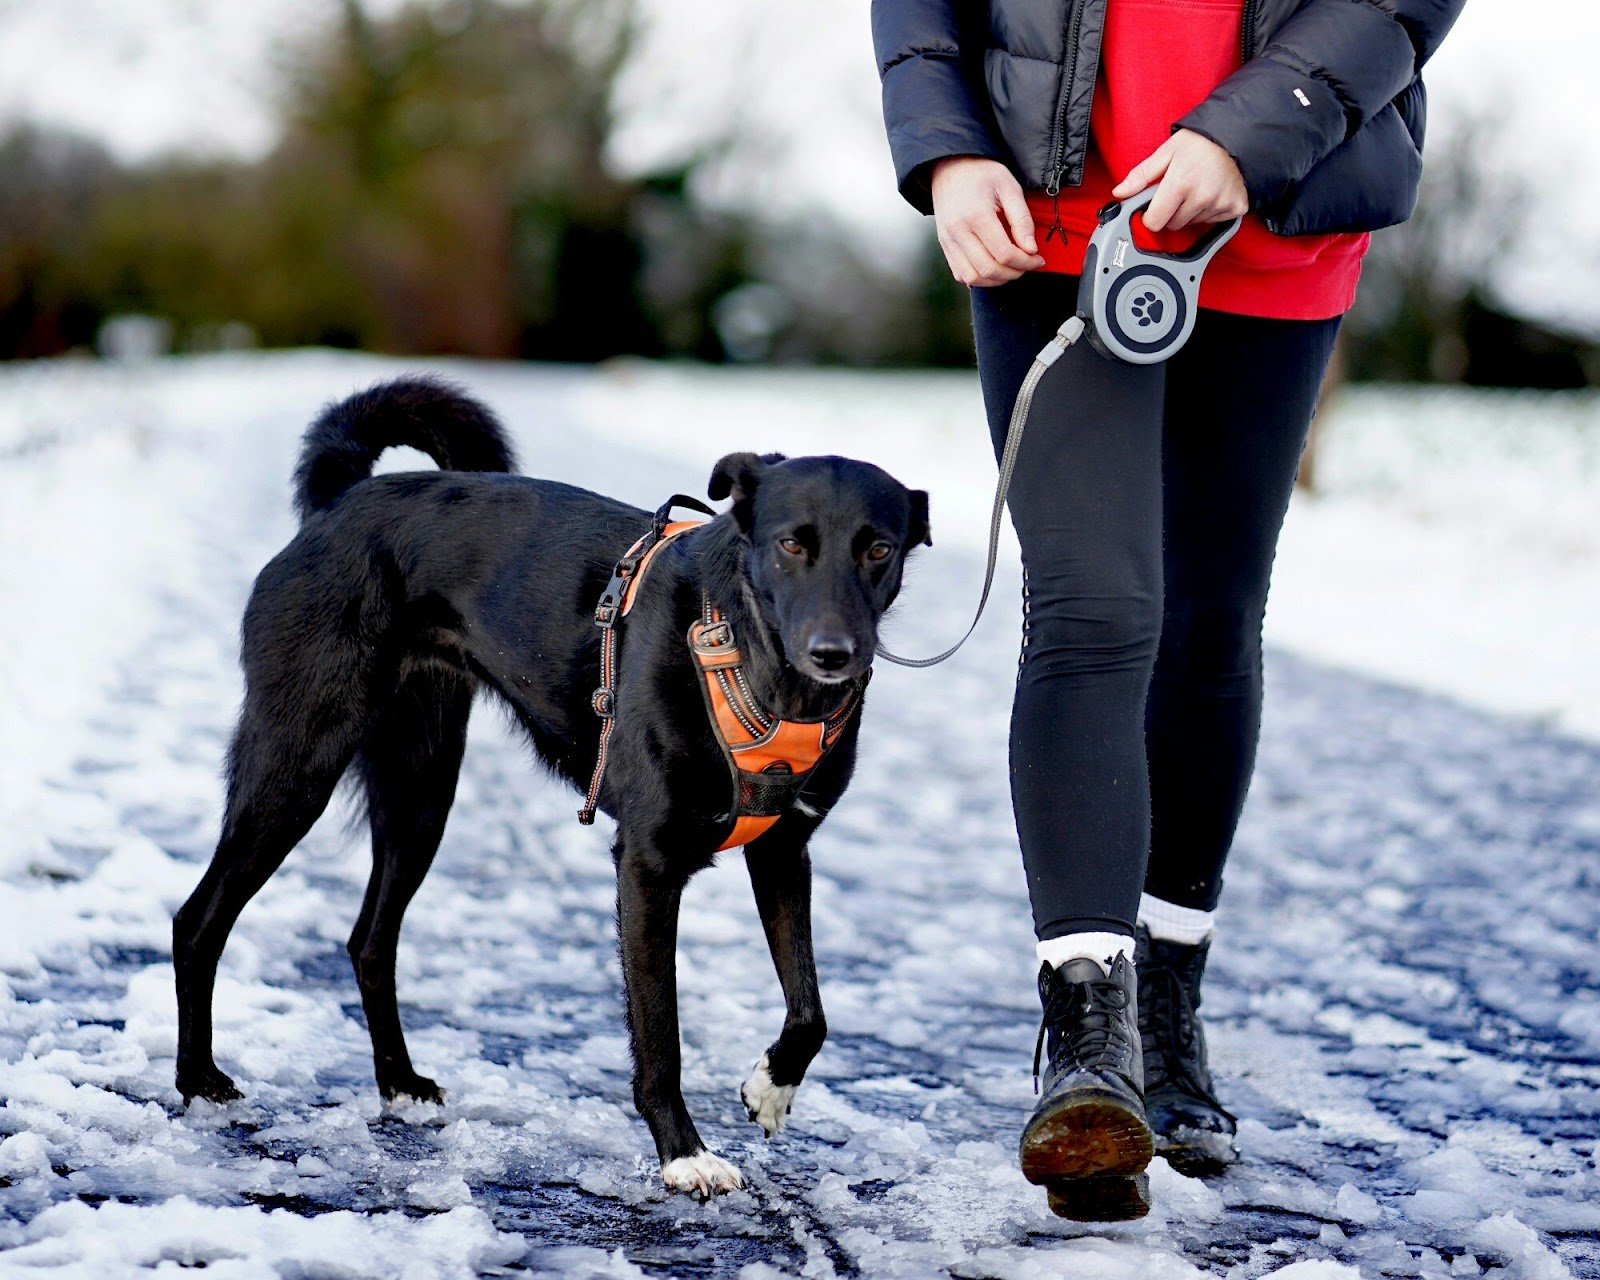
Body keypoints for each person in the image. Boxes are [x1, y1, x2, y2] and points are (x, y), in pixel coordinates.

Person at [871, 0, 1464, 1220]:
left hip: (1277, 202)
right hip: (1046, 212)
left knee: (1204, 618)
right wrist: (945, 145)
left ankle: (1169, 1004)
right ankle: (1089, 1034)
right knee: (1090, 610)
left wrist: (1248, 134)